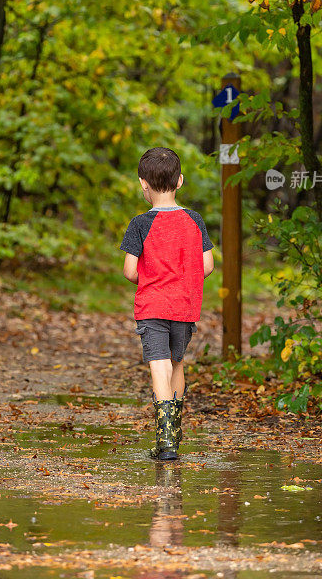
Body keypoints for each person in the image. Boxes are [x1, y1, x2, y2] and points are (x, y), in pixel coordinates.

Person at [120, 147, 214, 460]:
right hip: (185, 306)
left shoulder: (139, 224)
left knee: (158, 364)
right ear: (181, 181)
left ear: (142, 183)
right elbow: (208, 265)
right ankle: (175, 431)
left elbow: (130, 271)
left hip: (152, 305)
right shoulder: (194, 220)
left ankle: (166, 440)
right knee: (177, 362)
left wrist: (150, 278)